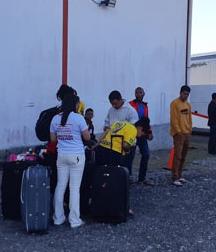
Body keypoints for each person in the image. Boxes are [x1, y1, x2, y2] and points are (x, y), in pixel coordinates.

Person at [49, 94, 91, 228]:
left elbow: (53, 140)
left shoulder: (55, 118)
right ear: (75, 104)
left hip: (61, 155)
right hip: (77, 156)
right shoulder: (78, 118)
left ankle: (58, 218)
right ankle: (74, 220)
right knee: (74, 188)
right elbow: (87, 136)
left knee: (60, 186)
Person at [94, 119, 148, 217]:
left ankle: (98, 204)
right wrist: (127, 151)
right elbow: (125, 145)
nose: (140, 136)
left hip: (101, 149)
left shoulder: (119, 123)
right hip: (113, 154)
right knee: (115, 181)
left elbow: (106, 131)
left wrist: (98, 143)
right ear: (140, 128)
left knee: (100, 178)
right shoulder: (133, 130)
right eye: (142, 134)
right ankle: (117, 206)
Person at [103, 90, 138, 178]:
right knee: (114, 166)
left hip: (127, 143)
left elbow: (134, 127)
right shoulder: (111, 110)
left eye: (115, 103)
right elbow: (107, 124)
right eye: (112, 104)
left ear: (120, 100)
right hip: (113, 145)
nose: (114, 106)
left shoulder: (130, 110)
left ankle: (126, 182)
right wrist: (107, 129)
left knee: (126, 164)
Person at [129, 87, 154, 186]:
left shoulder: (145, 106)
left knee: (146, 154)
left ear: (144, 94)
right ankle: (128, 176)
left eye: (140, 92)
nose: (138, 94)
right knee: (130, 156)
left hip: (142, 134)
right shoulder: (130, 105)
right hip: (132, 134)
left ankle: (142, 178)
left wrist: (149, 132)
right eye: (137, 93)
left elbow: (146, 120)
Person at [170, 86, 192, 187]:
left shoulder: (187, 104)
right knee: (177, 156)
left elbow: (189, 118)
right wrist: (178, 131)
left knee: (183, 156)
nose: (185, 96)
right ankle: (175, 176)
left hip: (187, 132)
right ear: (180, 93)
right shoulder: (174, 103)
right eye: (184, 94)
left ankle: (180, 174)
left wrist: (189, 129)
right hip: (179, 134)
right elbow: (174, 119)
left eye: (187, 94)